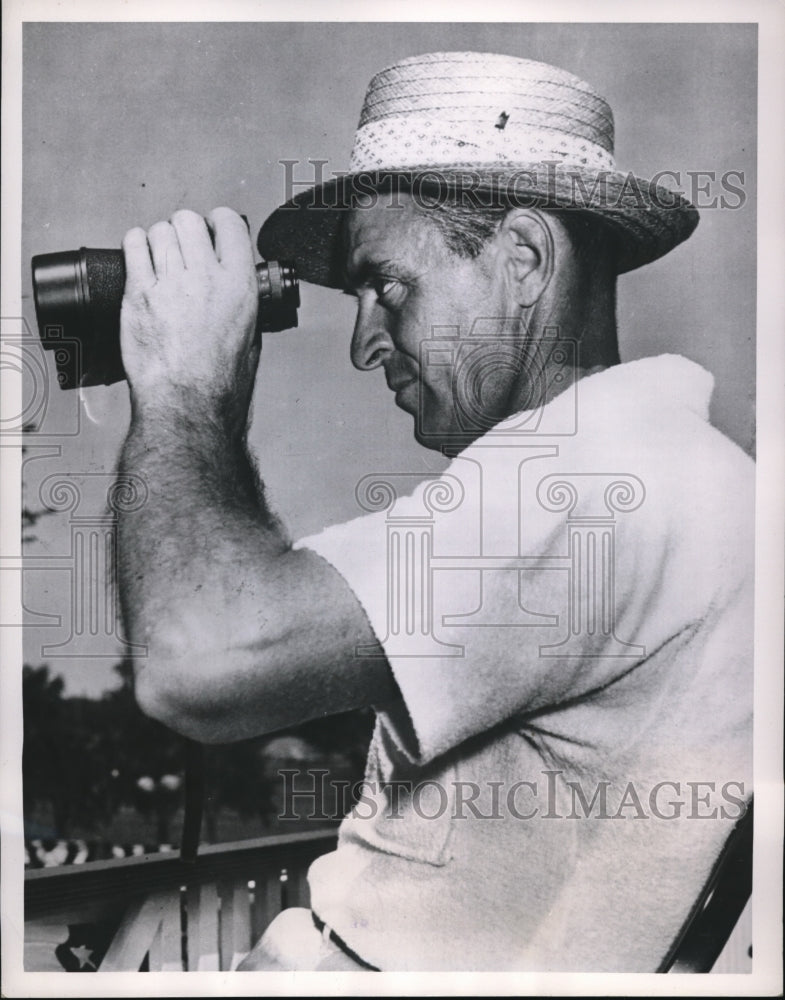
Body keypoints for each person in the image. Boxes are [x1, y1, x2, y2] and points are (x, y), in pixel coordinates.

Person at [116, 52, 753, 971]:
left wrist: (182, 385)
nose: (365, 344)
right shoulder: (672, 469)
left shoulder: (591, 476)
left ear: (523, 259)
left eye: (388, 285)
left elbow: (194, 659)